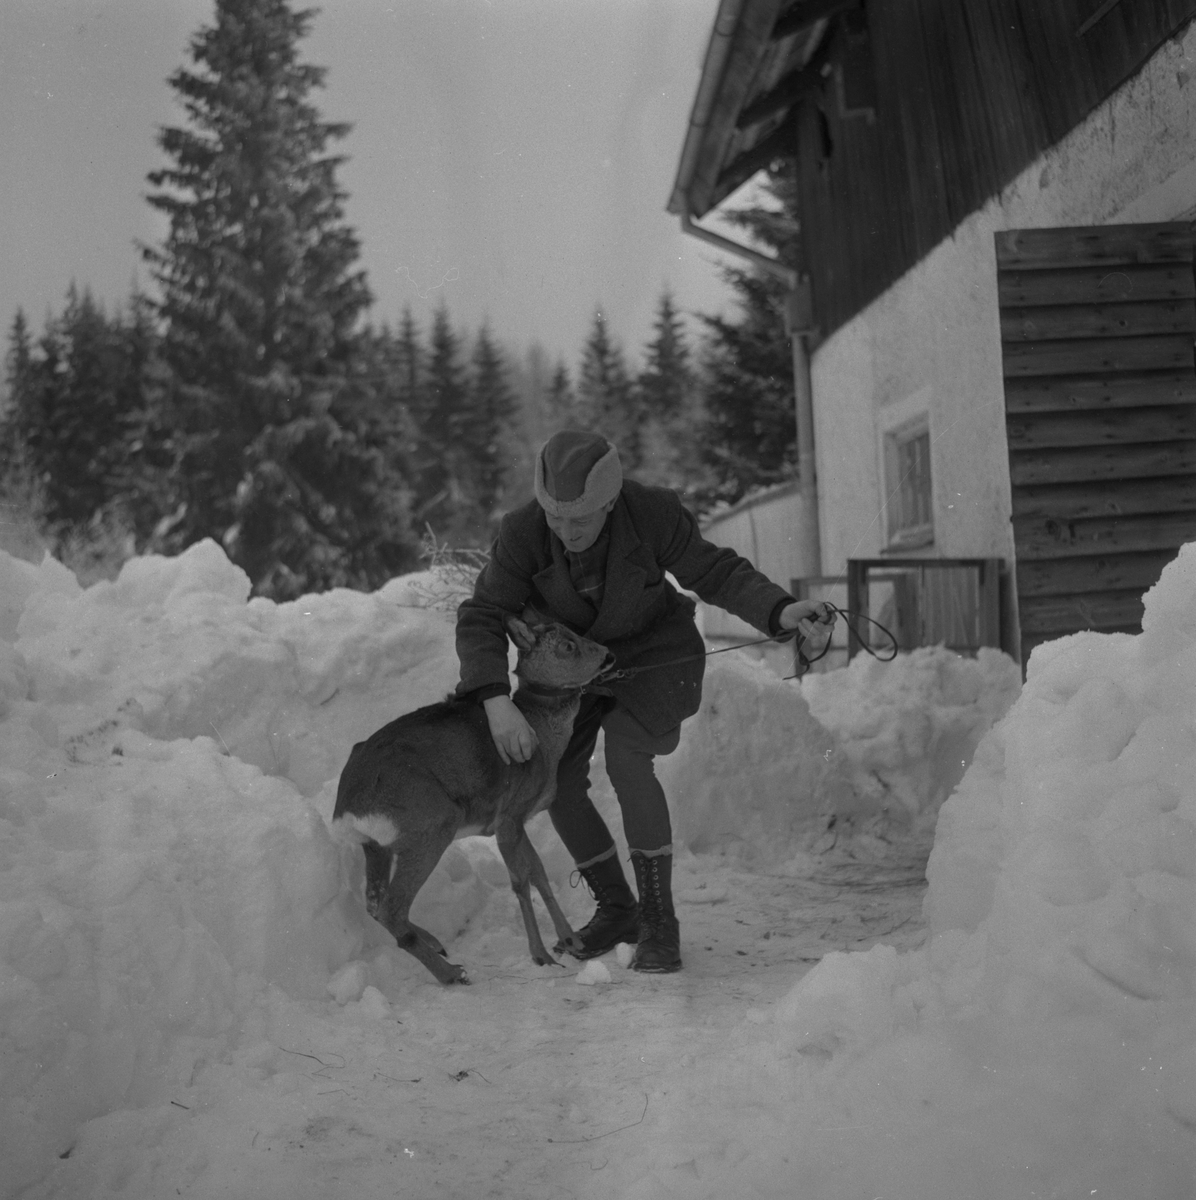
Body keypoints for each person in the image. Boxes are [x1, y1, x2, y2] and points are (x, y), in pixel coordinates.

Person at [455, 430, 834, 974]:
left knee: (628, 758)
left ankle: (659, 919)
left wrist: (779, 610)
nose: (565, 531)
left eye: (579, 520)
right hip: (573, 667)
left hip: (654, 657)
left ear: (610, 501)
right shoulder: (523, 532)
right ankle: (618, 910)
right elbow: (483, 614)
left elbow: (715, 571)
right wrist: (493, 698)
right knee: (555, 779)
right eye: (556, 518)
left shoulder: (652, 513)